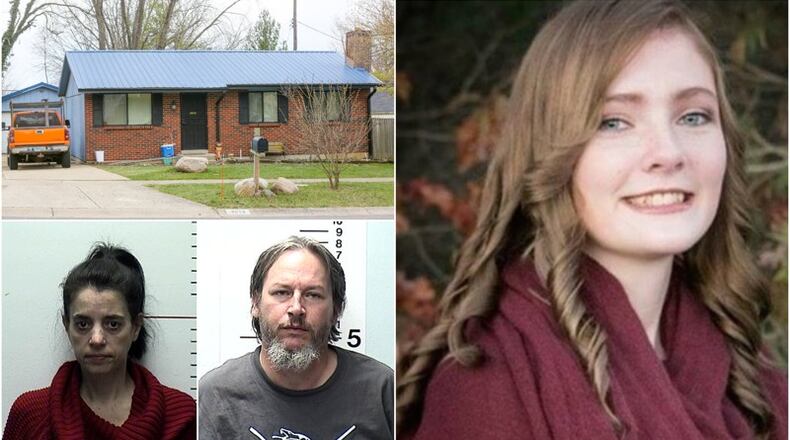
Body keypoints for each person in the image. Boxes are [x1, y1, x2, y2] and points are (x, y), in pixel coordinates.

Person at [397, 1, 787, 439]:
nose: (669, 152)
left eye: (693, 116)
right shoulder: (486, 386)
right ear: (550, 153)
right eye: (614, 122)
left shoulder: (749, 372)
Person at [199, 236, 394, 439]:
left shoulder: (382, 390)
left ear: (336, 309)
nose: (296, 309)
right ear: (256, 303)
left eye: (313, 295)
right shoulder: (215, 394)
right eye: (282, 292)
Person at [3, 244, 196, 440]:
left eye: (113, 324)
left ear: (136, 327)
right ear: (66, 325)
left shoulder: (181, 418)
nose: (96, 339)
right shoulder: (30, 416)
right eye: (83, 324)